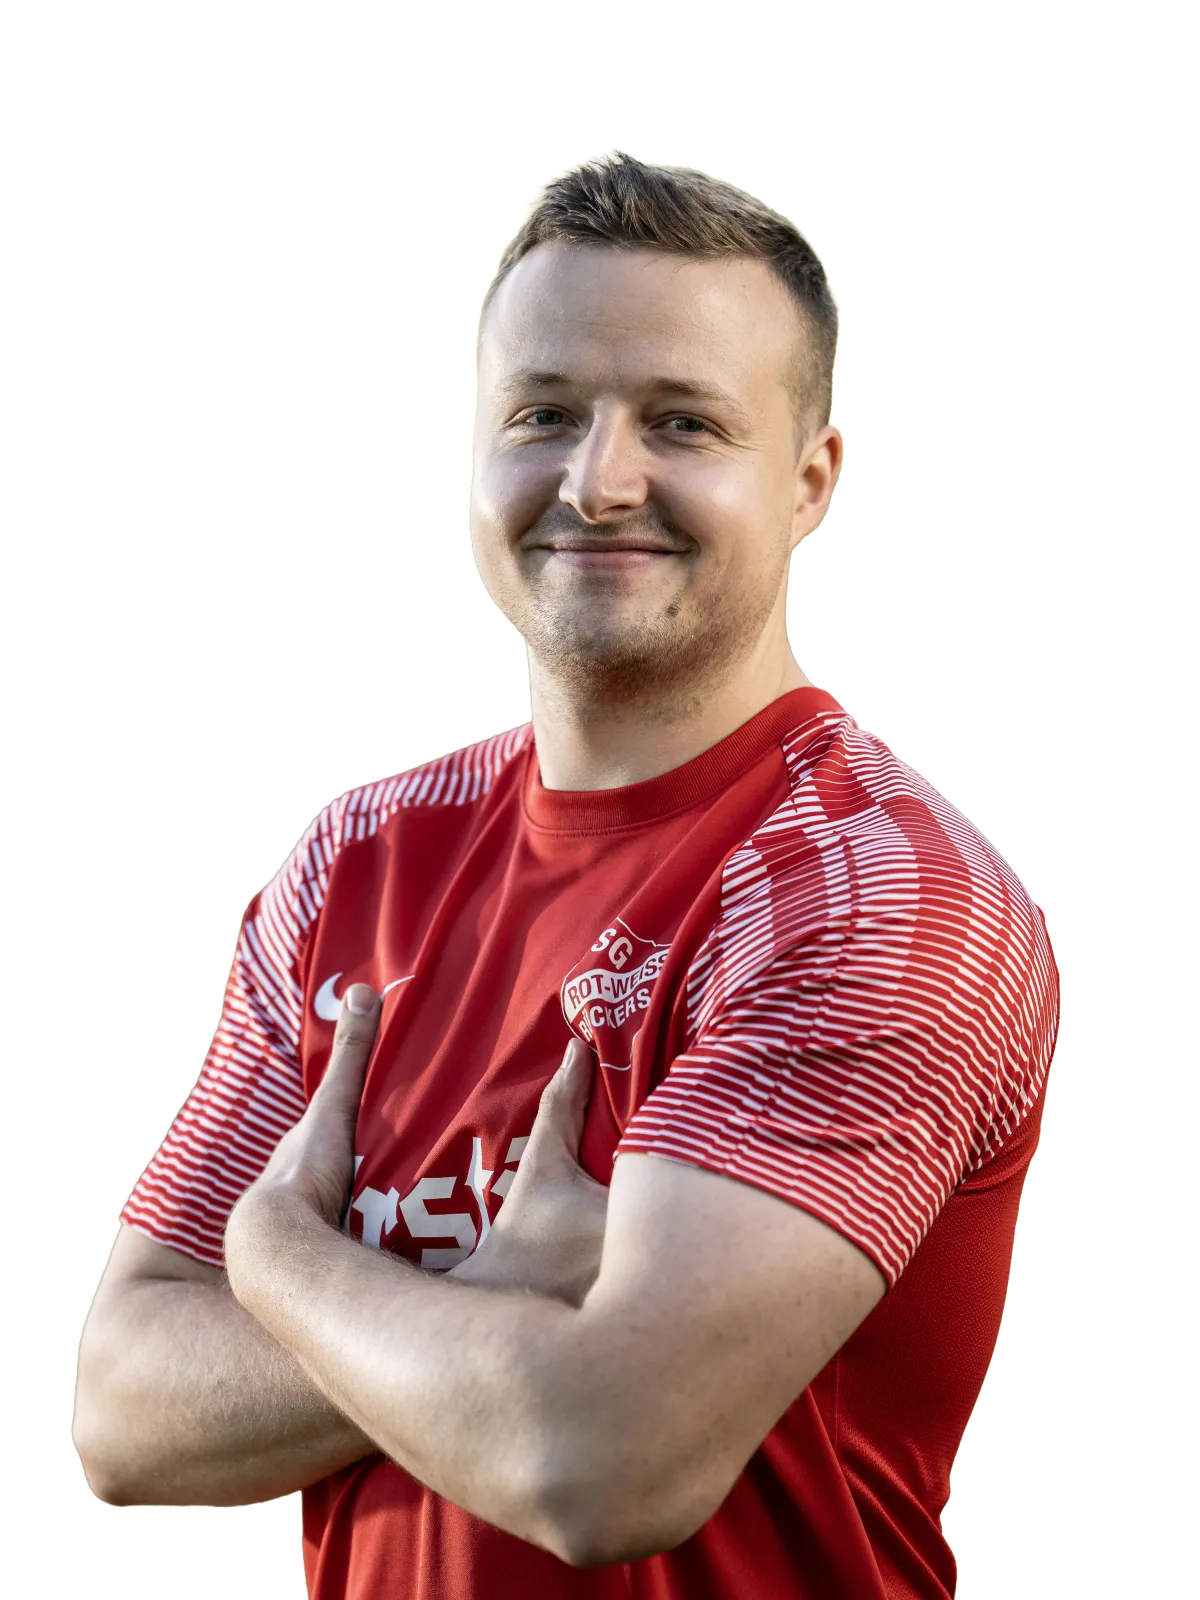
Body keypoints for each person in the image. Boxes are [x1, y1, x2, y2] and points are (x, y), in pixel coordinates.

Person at [73, 152, 1060, 1599]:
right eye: (544, 414)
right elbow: (124, 1411)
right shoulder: (356, 861)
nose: (599, 483)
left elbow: (604, 1461)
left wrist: (282, 1262)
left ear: (812, 480)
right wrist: (488, 1318)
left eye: (683, 422)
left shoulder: (878, 896)